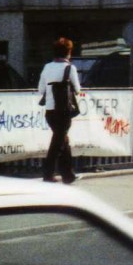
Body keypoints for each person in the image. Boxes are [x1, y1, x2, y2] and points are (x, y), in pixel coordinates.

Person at [37, 37, 84, 184]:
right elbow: (77, 89)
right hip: (64, 111)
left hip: (50, 111)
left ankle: (68, 175)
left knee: (63, 140)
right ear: (68, 52)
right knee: (58, 142)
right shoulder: (70, 68)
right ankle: (48, 174)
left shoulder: (46, 67)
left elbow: (40, 90)